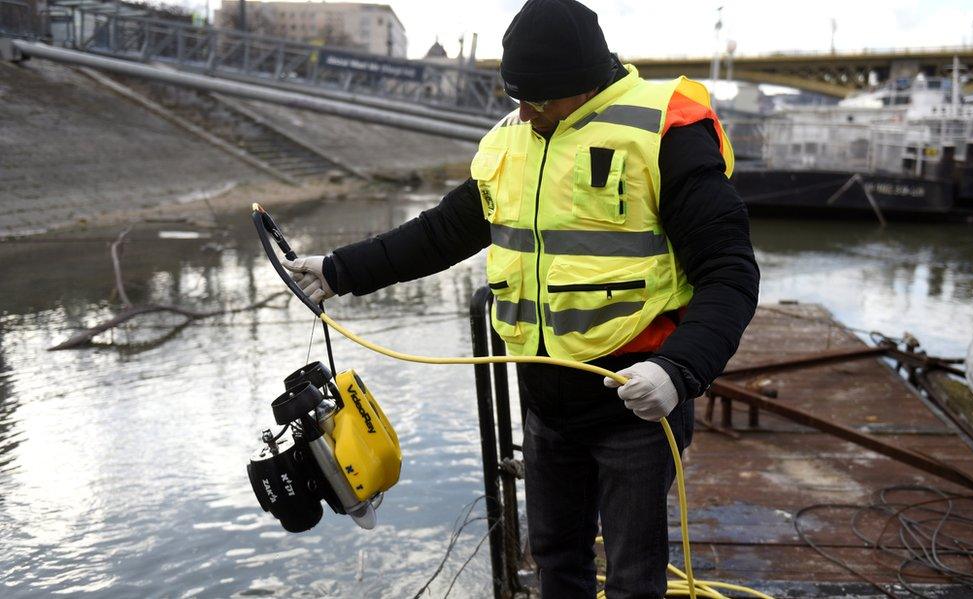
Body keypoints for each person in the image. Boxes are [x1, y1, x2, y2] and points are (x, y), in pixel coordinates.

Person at [283, 0, 759, 596]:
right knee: (557, 560)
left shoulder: (664, 131)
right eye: (518, 99)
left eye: (539, 101)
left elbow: (730, 274)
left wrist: (678, 370)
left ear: (587, 83)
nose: (528, 114)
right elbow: (439, 234)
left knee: (636, 579)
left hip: (635, 404)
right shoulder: (512, 137)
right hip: (544, 399)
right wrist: (339, 270)